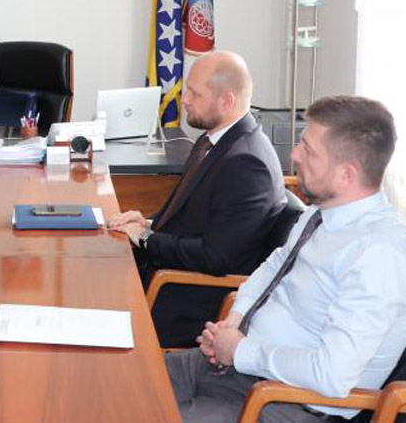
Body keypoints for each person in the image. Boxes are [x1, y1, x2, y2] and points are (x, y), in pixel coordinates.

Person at [167, 95, 406, 422]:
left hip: (286, 401)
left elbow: (331, 374)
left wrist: (241, 351)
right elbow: (275, 266)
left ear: (346, 175)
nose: (294, 155)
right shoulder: (322, 213)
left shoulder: (381, 255)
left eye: (308, 150)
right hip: (236, 366)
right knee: (119, 380)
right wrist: (233, 322)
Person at [109, 51, 285, 347]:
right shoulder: (213, 140)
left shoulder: (247, 163)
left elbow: (216, 257)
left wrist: (146, 238)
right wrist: (148, 223)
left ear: (227, 101)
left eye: (194, 93)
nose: (184, 101)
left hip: (187, 300)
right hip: (168, 273)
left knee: (91, 296)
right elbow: (195, 216)